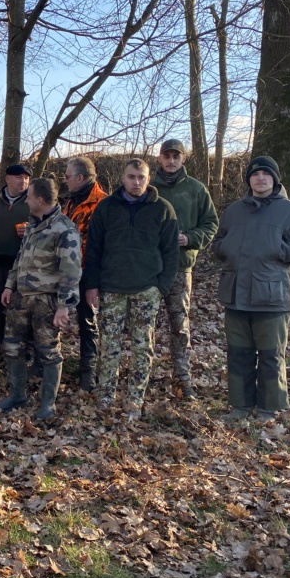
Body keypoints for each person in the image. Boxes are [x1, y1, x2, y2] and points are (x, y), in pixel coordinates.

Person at [212, 156, 290, 421]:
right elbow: (218, 242)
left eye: (265, 174)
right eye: (255, 174)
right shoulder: (234, 210)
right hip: (235, 294)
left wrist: (277, 248)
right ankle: (240, 406)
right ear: (249, 180)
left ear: (274, 179)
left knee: (270, 356)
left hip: (271, 297)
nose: (260, 179)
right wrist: (225, 248)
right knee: (238, 353)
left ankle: (270, 409)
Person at [84, 158, 179, 420]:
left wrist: (161, 286)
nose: (136, 182)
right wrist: (91, 284)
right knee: (109, 344)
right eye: (131, 177)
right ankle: (105, 397)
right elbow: (94, 249)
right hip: (112, 287)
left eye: (141, 177)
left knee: (141, 346)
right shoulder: (106, 208)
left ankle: (134, 399)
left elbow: (171, 253)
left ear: (149, 179)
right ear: (122, 179)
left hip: (146, 288)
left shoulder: (163, 209)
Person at [0, 178, 81, 419]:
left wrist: (64, 306)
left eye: (29, 197)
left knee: (49, 352)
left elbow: (71, 271)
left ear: (40, 200)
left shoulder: (65, 229)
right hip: (21, 300)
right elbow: (19, 259)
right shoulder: (32, 226)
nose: (27, 200)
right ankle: (17, 395)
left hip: (47, 302)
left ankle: (47, 405)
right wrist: (10, 285)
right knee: (12, 348)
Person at [151, 139, 219, 398]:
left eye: (175, 157)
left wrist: (190, 238)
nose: (171, 161)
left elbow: (211, 223)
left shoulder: (196, 189)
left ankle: (181, 377)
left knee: (179, 325)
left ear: (183, 159)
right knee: (144, 325)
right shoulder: (148, 187)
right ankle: (143, 375)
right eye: (166, 156)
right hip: (150, 269)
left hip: (181, 267)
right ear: (159, 159)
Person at [61, 156, 107, 392]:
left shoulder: (102, 204)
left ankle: (88, 371)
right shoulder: (71, 202)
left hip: (88, 271)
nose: (65, 180)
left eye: (67, 176)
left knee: (87, 321)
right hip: (67, 271)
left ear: (80, 177)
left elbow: (100, 245)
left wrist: (93, 280)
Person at [0, 164, 31, 349]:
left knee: (22, 306)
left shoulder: (33, 202)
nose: (23, 181)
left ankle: (23, 346)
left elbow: (49, 224)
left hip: (23, 264)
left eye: (26, 178)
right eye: (19, 177)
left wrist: (31, 229)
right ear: (8, 179)